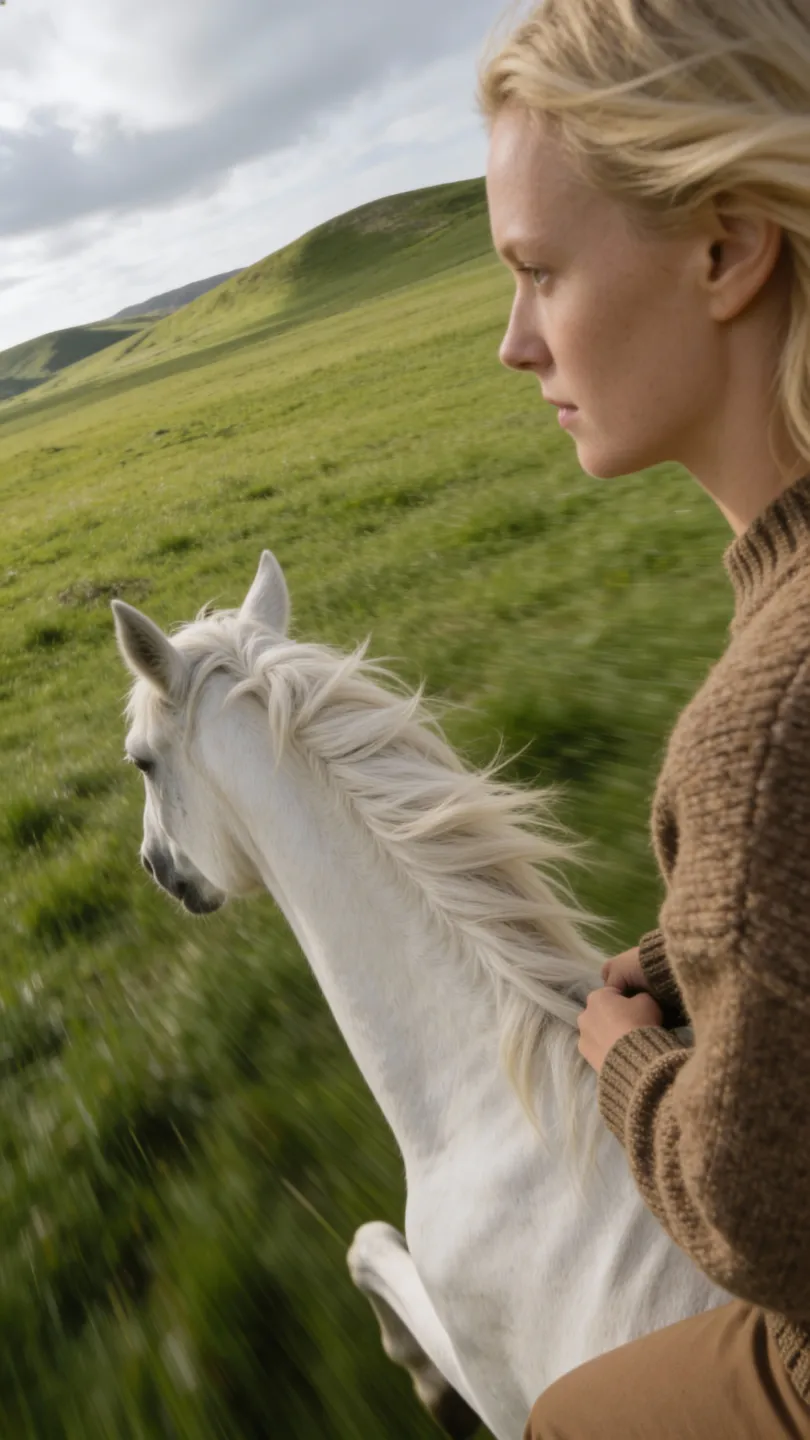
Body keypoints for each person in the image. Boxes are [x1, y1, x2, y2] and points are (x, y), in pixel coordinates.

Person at [477, 2, 810, 1437]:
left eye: (538, 273)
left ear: (727, 248)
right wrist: (709, 942)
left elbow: (760, 1218)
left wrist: (626, 1060)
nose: (511, 345)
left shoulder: (762, 720)